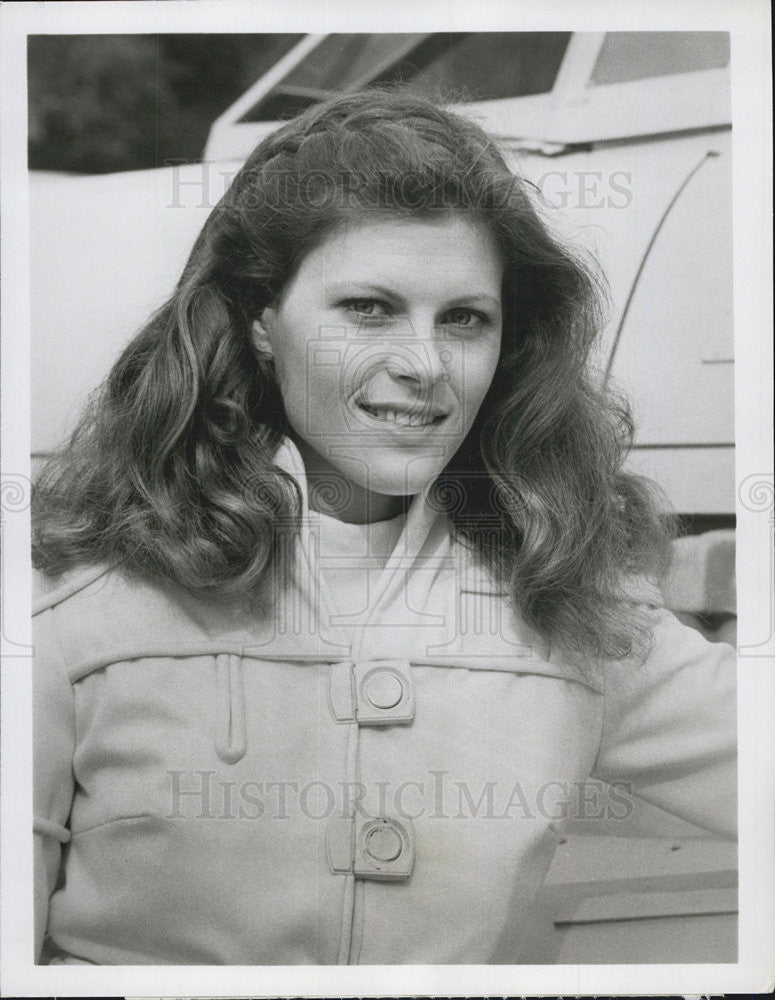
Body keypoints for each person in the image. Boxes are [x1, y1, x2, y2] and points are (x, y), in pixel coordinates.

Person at [31, 88, 736, 965]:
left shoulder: (562, 605)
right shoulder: (66, 606)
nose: (422, 365)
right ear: (260, 319)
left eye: (464, 319)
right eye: (367, 308)